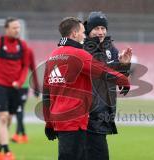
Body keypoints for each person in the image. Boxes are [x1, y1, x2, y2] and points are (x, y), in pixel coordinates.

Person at [42, 17, 130, 160]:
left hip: (59, 121)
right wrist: (124, 79)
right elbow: (102, 71)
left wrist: (49, 122)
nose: (84, 35)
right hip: (75, 122)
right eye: (83, 32)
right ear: (74, 34)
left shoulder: (53, 55)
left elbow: (46, 93)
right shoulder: (79, 54)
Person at [83, 11, 132, 160]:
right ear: (88, 30)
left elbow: (114, 77)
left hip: (105, 109)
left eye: (103, 28)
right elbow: (97, 73)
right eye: (96, 28)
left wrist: (124, 65)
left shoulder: (111, 48)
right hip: (88, 112)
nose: (100, 32)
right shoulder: (82, 49)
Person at [0, 17, 29, 160]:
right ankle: (7, 152)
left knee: (8, 120)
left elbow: (25, 66)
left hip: (15, 88)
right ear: (6, 29)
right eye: (14, 28)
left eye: (18, 28)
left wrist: (20, 82)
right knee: (3, 117)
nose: (17, 30)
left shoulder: (23, 46)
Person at [11, 47, 39, 144]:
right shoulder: (13, 54)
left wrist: (36, 88)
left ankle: (18, 134)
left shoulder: (27, 53)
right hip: (15, 86)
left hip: (23, 86)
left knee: (19, 109)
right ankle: (23, 135)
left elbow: (33, 70)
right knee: (18, 109)